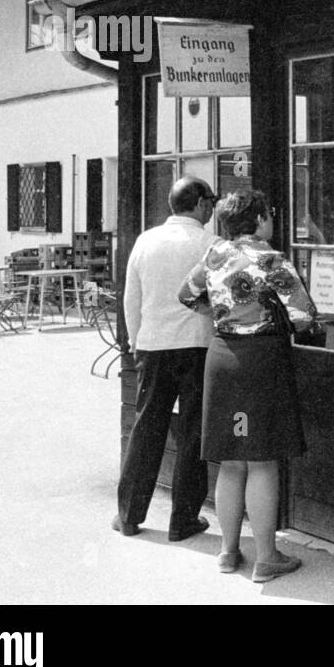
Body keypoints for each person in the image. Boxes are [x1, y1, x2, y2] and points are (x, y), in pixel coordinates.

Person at [178, 188, 317, 582]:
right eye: (269, 213)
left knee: (230, 460)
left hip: (221, 356)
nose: (272, 219)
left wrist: (223, 313)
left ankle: (227, 551)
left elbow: (186, 295)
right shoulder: (272, 259)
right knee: (262, 459)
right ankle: (267, 556)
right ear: (258, 219)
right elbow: (304, 316)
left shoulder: (214, 254)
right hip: (262, 359)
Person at [114, 176, 218, 541]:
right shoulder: (211, 244)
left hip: (153, 345)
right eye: (211, 202)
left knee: (147, 427)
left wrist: (135, 340)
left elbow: (131, 297)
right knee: (193, 432)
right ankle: (183, 519)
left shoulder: (146, 241)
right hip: (197, 345)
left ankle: (129, 514)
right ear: (201, 204)